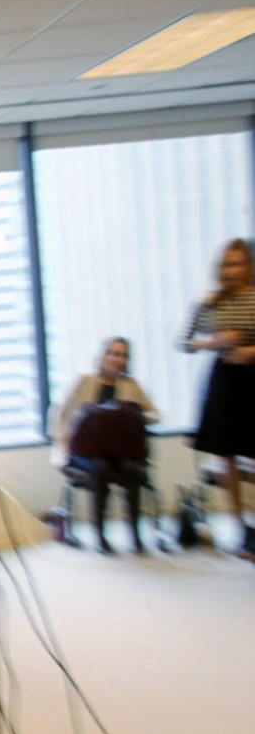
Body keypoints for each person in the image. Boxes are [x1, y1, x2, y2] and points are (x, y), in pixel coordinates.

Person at [179, 238, 255, 558]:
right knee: (226, 457)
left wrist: (250, 351)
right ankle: (241, 527)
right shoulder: (209, 302)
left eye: (237, 263)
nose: (231, 270)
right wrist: (215, 342)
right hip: (224, 381)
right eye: (226, 264)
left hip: (253, 379)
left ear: (248, 266)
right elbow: (184, 342)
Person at [51, 337, 160, 553]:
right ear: (102, 356)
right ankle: (100, 536)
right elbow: (60, 413)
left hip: (119, 452)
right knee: (100, 470)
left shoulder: (131, 386)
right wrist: (62, 440)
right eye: (112, 353)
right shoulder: (85, 381)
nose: (115, 359)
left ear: (127, 360)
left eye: (121, 355)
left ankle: (135, 535)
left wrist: (134, 416)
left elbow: (154, 414)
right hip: (85, 452)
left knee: (133, 471)